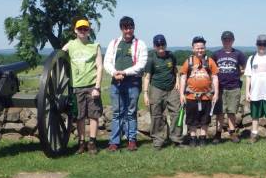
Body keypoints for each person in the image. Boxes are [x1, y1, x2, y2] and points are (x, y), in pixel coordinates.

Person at [103, 16, 148, 151]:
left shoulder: (140, 44)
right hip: (116, 81)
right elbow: (107, 61)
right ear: (121, 29)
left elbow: (141, 64)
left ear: (134, 28)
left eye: (130, 27)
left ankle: (131, 140)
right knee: (117, 112)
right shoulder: (114, 42)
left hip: (133, 82)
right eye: (125, 28)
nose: (128, 30)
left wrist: (125, 72)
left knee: (131, 112)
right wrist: (114, 73)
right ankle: (114, 142)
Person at [61, 19, 103, 155]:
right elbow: (59, 56)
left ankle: (92, 143)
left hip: (91, 86)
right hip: (77, 86)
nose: (83, 31)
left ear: (89, 30)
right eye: (80, 29)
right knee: (79, 117)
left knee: (93, 115)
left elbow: (100, 67)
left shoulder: (95, 45)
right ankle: (81, 143)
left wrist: (97, 87)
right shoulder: (71, 45)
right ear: (75, 30)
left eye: (85, 29)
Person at [142, 34, 183, 150]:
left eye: (162, 44)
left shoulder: (171, 56)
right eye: (158, 45)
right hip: (156, 89)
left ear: (165, 44)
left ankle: (177, 139)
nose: (160, 46)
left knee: (177, 113)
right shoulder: (151, 59)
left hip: (172, 89)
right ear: (154, 46)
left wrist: (178, 82)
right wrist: (145, 93)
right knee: (156, 115)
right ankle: (158, 141)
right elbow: (147, 77)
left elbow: (175, 70)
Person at [178, 36, 219, 147]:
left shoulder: (210, 61)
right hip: (191, 96)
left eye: (202, 48)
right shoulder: (189, 61)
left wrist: (216, 93)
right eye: (197, 48)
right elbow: (183, 77)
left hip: (206, 96)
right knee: (192, 119)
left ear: (204, 48)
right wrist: (181, 94)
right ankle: (193, 138)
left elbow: (215, 77)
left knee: (205, 119)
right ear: (193, 49)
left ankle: (202, 138)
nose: (200, 50)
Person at [211, 30, 247, 143]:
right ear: (222, 41)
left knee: (232, 112)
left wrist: (238, 74)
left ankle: (232, 133)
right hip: (220, 88)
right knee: (220, 112)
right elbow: (211, 69)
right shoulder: (216, 54)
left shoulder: (238, 54)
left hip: (234, 87)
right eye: (225, 39)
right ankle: (218, 134)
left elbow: (246, 67)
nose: (227, 41)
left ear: (233, 41)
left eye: (229, 39)